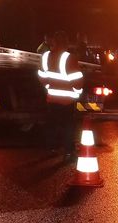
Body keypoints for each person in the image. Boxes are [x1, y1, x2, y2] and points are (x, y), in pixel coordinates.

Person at [37, 31, 83, 161]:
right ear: (66, 43)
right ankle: (68, 152)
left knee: (53, 124)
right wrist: (77, 92)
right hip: (67, 100)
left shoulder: (45, 56)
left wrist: (49, 88)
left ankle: (51, 148)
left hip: (52, 98)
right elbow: (77, 80)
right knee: (68, 125)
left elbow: (41, 77)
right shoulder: (69, 58)